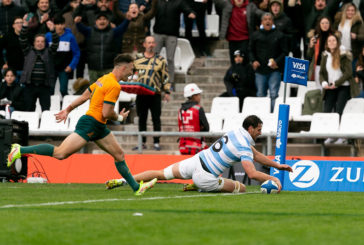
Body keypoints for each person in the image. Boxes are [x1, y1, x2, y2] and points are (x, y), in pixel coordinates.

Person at [7, 54, 157, 196]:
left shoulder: (103, 79)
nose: (131, 74)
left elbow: (86, 95)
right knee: (60, 153)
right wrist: (119, 117)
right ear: (123, 68)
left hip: (98, 126)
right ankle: (19, 149)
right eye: (131, 70)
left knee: (119, 155)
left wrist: (68, 109)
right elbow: (106, 113)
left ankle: (137, 188)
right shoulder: (114, 86)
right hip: (91, 124)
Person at [106, 115, 293, 193]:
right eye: (259, 129)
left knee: (160, 173)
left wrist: (278, 166)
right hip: (205, 176)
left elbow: (257, 155)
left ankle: (122, 180)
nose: (260, 132)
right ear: (251, 128)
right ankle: (198, 186)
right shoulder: (244, 146)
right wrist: (273, 178)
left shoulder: (236, 133)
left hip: (195, 160)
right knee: (241, 188)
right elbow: (251, 174)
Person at [320, 34, 360, 145]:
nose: (332, 42)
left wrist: (336, 83)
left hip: (343, 86)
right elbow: (322, 73)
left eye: (334, 40)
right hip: (330, 87)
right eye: (329, 41)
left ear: (337, 43)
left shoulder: (343, 55)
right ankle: (331, 135)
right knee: (327, 111)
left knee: (339, 111)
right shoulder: (325, 55)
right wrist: (324, 83)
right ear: (327, 43)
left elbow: (348, 73)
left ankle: (341, 136)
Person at [133, 36, 171, 151]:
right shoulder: (137, 58)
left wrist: (167, 91)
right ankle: (142, 142)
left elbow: (165, 76)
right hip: (141, 94)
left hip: (155, 94)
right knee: (142, 118)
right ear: (144, 44)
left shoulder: (160, 60)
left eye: (152, 43)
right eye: (148, 43)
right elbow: (132, 73)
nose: (150, 45)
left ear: (155, 45)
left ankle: (156, 142)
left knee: (156, 118)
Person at [75, 11, 130, 84]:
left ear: (108, 22)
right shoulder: (89, 31)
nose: (102, 21)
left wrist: (127, 20)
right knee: (95, 90)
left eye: (104, 19)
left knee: (108, 89)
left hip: (109, 68)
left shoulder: (113, 32)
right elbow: (81, 28)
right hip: (93, 69)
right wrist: (77, 23)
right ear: (96, 22)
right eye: (100, 19)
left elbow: (122, 28)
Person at [249, 12, 288, 112]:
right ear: (262, 22)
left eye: (269, 19)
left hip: (274, 70)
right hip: (260, 71)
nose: (267, 21)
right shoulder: (255, 35)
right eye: (265, 19)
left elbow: (285, 52)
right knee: (260, 94)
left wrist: (277, 61)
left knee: (274, 94)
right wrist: (253, 61)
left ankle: (272, 115)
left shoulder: (280, 35)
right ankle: (260, 116)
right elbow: (250, 50)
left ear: (272, 21)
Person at [19, 14, 59, 111]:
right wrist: (24, 25)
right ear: (34, 43)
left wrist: (53, 30)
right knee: (29, 109)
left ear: (45, 43)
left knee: (46, 110)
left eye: (42, 41)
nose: (40, 43)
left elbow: (56, 42)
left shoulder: (49, 52)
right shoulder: (28, 51)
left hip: (44, 86)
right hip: (30, 86)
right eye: (37, 41)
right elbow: (22, 38)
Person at [153, 0, 195, 89]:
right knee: (154, 58)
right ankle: (153, 80)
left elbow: (186, 8)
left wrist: (190, 12)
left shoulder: (178, 2)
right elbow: (150, 10)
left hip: (172, 34)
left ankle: (170, 82)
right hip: (158, 33)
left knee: (170, 58)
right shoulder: (158, 1)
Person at [45, 15, 80, 96]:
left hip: (64, 68)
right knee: (50, 89)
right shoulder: (48, 36)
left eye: (61, 24)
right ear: (54, 25)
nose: (60, 26)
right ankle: (50, 107)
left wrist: (71, 66)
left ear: (64, 25)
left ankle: (64, 106)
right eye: (57, 24)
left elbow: (77, 53)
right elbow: (45, 51)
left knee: (63, 90)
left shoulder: (70, 37)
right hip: (51, 68)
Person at [178, 83, 209, 155]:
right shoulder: (198, 108)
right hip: (196, 147)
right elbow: (207, 128)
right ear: (194, 96)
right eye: (198, 94)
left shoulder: (181, 110)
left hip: (183, 146)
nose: (200, 97)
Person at [334, 2, 364, 74]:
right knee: (341, 73)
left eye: (352, 10)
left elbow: (363, 36)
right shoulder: (339, 21)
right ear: (345, 11)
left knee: (352, 73)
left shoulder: (358, 22)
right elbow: (333, 32)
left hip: (353, 53)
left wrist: (356, 36)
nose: (350, 12)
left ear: (355, 11)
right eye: (348, 10)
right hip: (340, 52)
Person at [307, 16, 336, 91]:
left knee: (330, 88)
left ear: (330, 24)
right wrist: (310, 46)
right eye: (322, 23)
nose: (325, 25)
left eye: (327, 23)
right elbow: (309, 55)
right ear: (319, 25)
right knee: (319, 88)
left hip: (331, 66)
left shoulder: (334, 37)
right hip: (318, 66)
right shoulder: (315, 37)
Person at [0, 16, 25, 81]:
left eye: (21, 22)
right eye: (17, 23)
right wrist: (2, 63)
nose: (20, 24)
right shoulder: (7, 37)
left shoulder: (28, 36)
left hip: (26, 69)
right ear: (13, 25)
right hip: (12, 70)